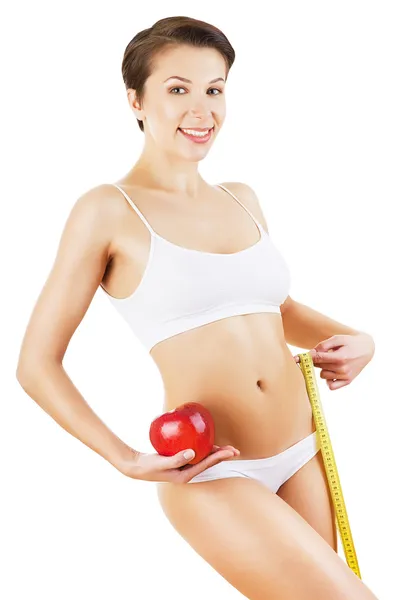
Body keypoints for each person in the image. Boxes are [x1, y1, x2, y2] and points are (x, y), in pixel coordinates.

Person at [16, 16, 378, 600]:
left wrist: (359, 338)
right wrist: (125, 459)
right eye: (178, 89)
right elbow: (36, 364)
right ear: (135, 100)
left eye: (215, 89)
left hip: (300, 448)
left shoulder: (242, 197)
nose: (201, 109)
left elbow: (270, 308)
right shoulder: (108, 211)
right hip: (211, 467)